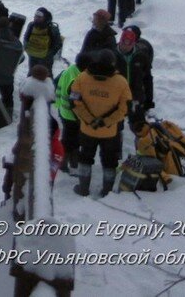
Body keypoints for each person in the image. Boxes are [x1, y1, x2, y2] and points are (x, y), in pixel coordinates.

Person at [71, 48, 131, 197]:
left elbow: (74, 102)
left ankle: (83, 188)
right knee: (109, 161)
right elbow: (125, 108)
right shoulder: (121, 82)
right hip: (110, 132)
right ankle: (107, 191)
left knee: (85, 158)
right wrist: (106, 121)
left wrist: (90, 120)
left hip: (87, 129)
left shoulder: (82, 78)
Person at [55, 52, 87, 175]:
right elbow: (74, 100)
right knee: (73, 140)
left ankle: (68, 161)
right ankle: (69, 162)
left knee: (68, 138)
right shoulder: (77, 78)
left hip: (64, 112)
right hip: (72, 115)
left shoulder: (70, 70)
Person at [113, 27, 153, 118]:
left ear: (134, 43)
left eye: (129, 43)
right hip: (116, 97)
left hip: (136, 96)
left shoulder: (141, 56)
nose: (125, 46)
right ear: (120, 40)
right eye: (123, 42)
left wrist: (149, 99)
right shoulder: (111, 54)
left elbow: (147, 78)